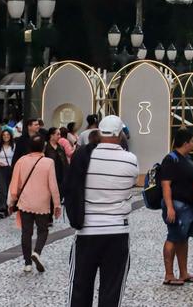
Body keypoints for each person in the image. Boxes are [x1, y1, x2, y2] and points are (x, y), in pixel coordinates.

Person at [64, 115, 137, 307]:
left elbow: (72, 187)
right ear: (120, 134)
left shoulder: (85, 157)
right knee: (112, 290)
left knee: (80, 287)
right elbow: (128, 188)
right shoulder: (130, 160)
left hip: (88, 231)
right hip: (117, 231)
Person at [8, 135, 61, 274]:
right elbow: (53, 185)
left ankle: (27, 263)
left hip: (25, 202)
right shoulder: (48, 162)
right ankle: (37, 252)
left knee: (26, 232)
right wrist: (57, 204)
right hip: (42, 203)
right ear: (43, 147)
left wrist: (11, 201)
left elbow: (15, 184)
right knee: (43, 230)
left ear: (29, 147)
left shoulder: (21, 161)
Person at [158, 127, 193, 285]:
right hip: (177, 206)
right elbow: (166, 185)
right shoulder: (170, 159)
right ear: (185, 142)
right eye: (191, 141)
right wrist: (170, 207)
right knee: (173, 237)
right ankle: (169, 275)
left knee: (183, 239)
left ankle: (183, 273)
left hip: (190, 207)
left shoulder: (188, 159)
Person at [0, 127, 17, 219]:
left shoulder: (14, 146)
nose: (6, 137)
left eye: (8, 135)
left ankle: (8, 207)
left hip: (10, 169)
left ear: (10, 136)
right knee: (2, 190)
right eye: (4, 135)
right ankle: (1, 209)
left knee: (10, 189)